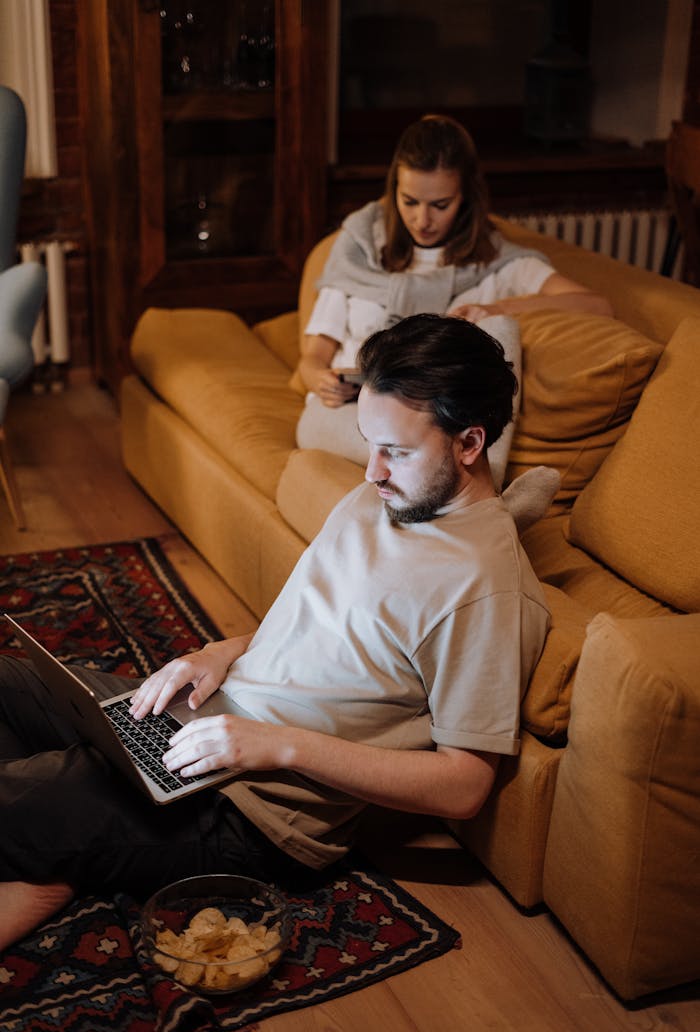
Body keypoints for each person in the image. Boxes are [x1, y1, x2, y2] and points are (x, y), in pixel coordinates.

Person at [0, 314, 550, 951]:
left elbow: (464, 785)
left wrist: (277, 746)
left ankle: (47, 846)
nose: (371, 471)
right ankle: (52, 856)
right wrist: (219, 654)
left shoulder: (483, 589)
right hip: (205, 723)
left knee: (34, 796)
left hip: (252, 812)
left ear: (469, 442)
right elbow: (312, 632)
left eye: (395, 451)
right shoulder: (382, 498)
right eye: (369, 442)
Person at [296, 113, 612, 476]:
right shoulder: (360, 250)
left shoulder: (498, 263)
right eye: (409, 201)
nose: (422, 220)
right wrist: (322, 382)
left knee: (499, 330)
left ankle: (463, 485)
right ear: (393, 190)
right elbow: (311, 361)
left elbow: (596, 305)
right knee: (425, 443)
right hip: (347, 417)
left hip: (438, 428)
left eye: (440, 205)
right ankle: (481, 496)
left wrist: (494, 308)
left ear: (466, 197)